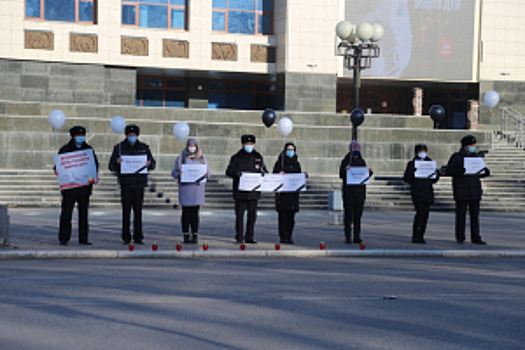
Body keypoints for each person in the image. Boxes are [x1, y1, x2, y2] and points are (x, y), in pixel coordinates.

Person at [109, 124, 156, 245]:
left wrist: (149, 164)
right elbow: (111, 166)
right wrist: (117, 162)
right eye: (130, 135)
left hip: (139, 184)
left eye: (134, 135)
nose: (132, 137)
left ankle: (138, 236)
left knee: (138, 212)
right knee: (126, 212)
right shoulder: (119, 148)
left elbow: (153, 164)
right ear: (126, 135)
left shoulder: (144, 148)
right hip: (126, 184)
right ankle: (126, 236)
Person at [55, 126, 99, 245]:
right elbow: (59, 165)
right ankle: (64, 238)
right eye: (78, 136)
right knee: (66, 213)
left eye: (82, 136)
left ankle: (83, 238)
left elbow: (95, 165)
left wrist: (94, 175)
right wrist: (58, 171)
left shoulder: (88, 149)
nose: (80, 138)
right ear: (73, 136)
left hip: (84, 187)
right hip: (69, 187)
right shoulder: (65, 149)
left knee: (83, 214)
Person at [447, 135, 490, 245]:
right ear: (465, 146)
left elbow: (485, 171)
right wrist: (461, 170)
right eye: (471, 145)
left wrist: (484, 172)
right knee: (461, 215)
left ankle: (476, 236)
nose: (473, 147)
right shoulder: (456, 157)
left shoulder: (476, 157)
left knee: (475, 216)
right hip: (461, 190)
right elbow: (449, 170)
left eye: (474, 145)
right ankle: (460, 236)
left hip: (474, 190)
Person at [226, 134, 268, 244]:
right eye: (247, 144)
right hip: (240, 192)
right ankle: (239, 236)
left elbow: (264, 170)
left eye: (251, 144)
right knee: (240, 215)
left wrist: (265, 174)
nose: (249, 146)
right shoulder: (236, 157)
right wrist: (236, 173)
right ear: (243, 144)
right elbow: (229, 171)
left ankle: (249, 236)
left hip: (253, 192)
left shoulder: (258, 157)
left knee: (252, 216)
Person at [171, 138, 210, 244]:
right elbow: (173, 172)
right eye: (190, 145)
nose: (192, 147)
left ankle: (195, 234)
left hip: (197, 190)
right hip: (186, 190)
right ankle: (186, 234)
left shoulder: (202, 158)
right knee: (186, 213)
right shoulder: (181, 157)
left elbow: (208, 172)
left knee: (195, 213)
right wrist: (180, 174)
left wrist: (206, 175)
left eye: (194, 145)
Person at [403, 144, 440, 244]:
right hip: (417, 192)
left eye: (424, 151)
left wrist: (437, 173)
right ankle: (415, 235)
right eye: (420, 151)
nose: (422, 153)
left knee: (425, 215)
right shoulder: (412, 164)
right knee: (420, 213)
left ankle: (421, 235)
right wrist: (413, 173)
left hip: (427, 192)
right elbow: (406, 178)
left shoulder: (430, 163)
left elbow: (434, 179)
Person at [339, 140, 373, 244]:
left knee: (358, 215)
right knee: (348, 214)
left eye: (358, 149)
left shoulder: (362, 162)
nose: (357, 151)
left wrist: (370, 173)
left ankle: (357, 235)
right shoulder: (346, 161)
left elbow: (364, 177)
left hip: (360, 192)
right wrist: (346, 170)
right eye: (355, 149)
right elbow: (341, 175)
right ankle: (348, 235)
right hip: (349, 191)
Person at [272, 143, 306, 244]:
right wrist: (279, 175)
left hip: (293, 194)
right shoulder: (280, 163)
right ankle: (283, 236)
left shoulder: (296, 163)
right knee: (283, 217)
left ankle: (289, 236)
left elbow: (298, 176)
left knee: (291, 218)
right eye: (288, 149)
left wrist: (303, 176)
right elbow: (273, 176)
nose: (290, 152)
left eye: (292, 150)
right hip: (283, 195)